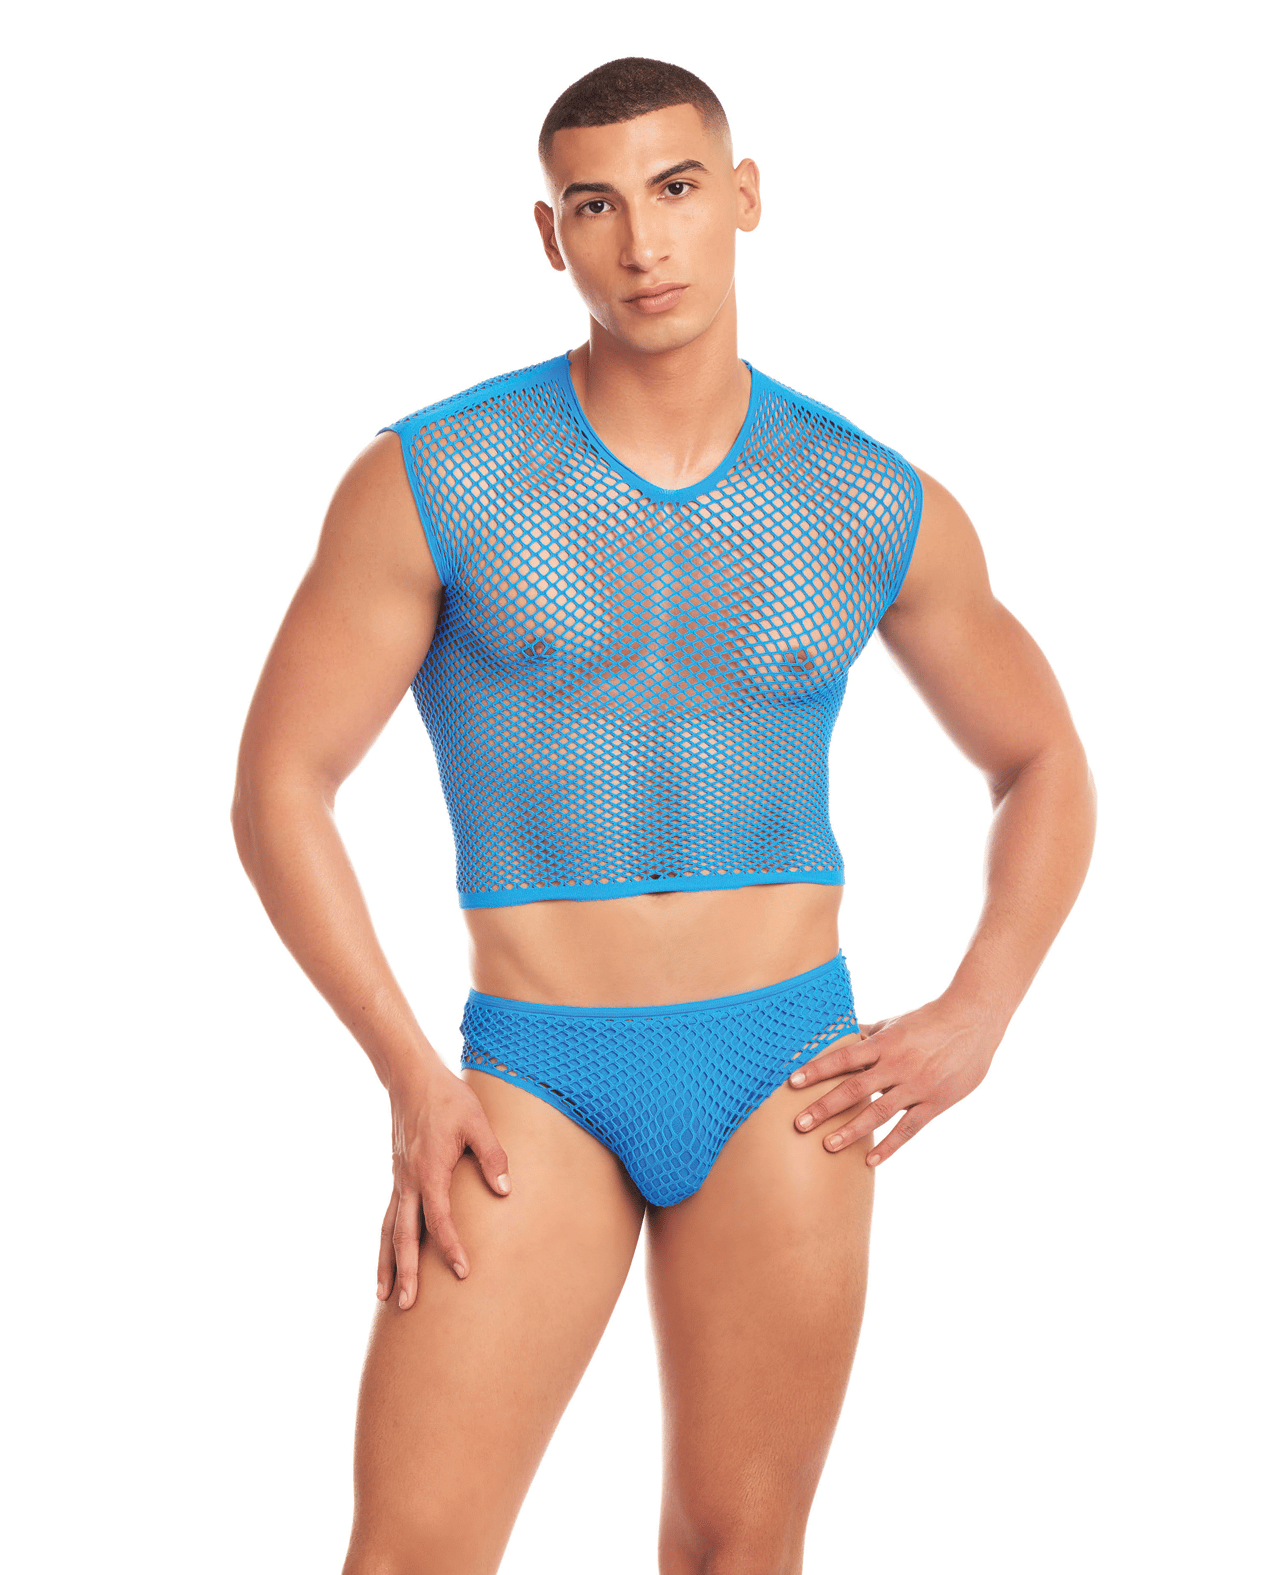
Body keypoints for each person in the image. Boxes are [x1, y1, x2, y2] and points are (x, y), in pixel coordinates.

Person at [232, 55, 1097, 1575]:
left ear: (743, 198)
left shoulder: (866, 496)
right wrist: (409, 1074)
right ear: (549, 234)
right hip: (533, 1078)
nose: (643, 242)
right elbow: (278, 785)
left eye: (677, 189)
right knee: (412, 1552)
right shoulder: (434, 478)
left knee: (737, 1548)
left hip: (787, 1073)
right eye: (596, 205)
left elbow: (1041, 761)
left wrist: (982, 1007)